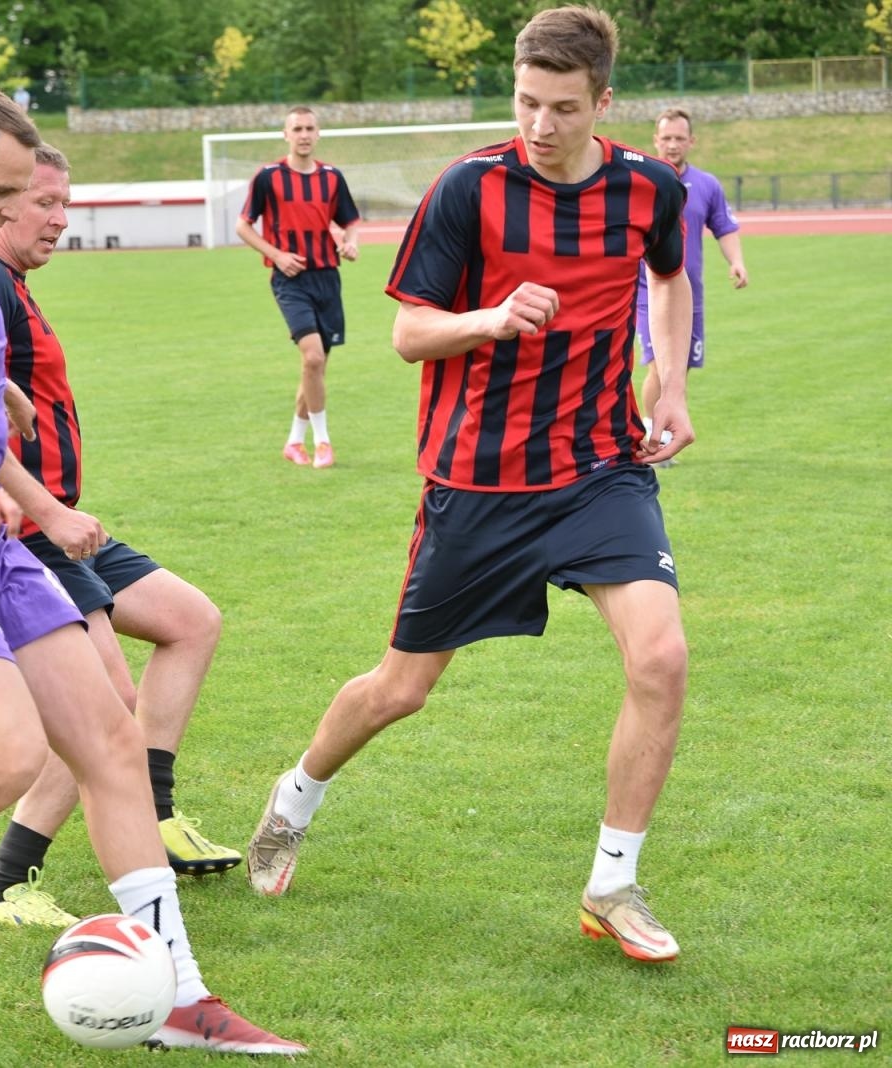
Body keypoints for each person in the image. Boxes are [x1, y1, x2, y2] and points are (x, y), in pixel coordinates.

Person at [0, 88, 302, 1055]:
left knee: (110, 742)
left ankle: (177, 997)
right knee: (8, 755)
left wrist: (39, 503)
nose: (12, 212)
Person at [246, 5, 695, 967]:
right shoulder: (469, 189)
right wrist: (492, 318)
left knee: (660, 659)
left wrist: (674, 388)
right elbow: (410, 334)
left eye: (563, 108)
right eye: (527, 102)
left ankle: (612, 885)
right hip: (478, 481)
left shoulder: (650, 190)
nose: (539, 125)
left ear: (603, 103)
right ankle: (296, 797)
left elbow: (669, 278)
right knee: (401, 690)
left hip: (599, 469)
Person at [0, 144, 238, 931]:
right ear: (3, 202)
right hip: (30, 534)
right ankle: (5, 884)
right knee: (103, 704)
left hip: (64, 524)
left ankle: (152, 812)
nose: (59, 218)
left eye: (63, 203)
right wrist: (41, 508)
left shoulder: (11, 285)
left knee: (191, 621)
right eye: (44, 203)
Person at [235, 106, 361, 469]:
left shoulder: (333, 178)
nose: (304, 134)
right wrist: (277, 255)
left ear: (318, 134)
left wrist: (350, 243)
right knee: (313, 357)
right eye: (297, 128)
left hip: (327, 278)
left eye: (310, 128)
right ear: (285, 134)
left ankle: (294, 442)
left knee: (315, 369)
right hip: (290, 281)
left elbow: (350, 221)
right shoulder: (268, 177)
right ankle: (323, 442)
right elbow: (244, 226)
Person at [635, 106, 748, 468]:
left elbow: (724, 226)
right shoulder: (643, 181)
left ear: (691, 141)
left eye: (679, 138)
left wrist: (736, 261)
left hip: (689, 295)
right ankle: (652, 439)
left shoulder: (707, 184)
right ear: (656, 140)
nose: (672, 144)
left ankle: (664, 433)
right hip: (646, 292)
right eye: (666, 138)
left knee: (677, 372)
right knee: (657, 366)